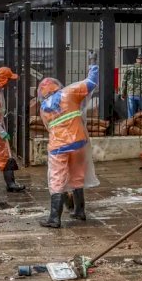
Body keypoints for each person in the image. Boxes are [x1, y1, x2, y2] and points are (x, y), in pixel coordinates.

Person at [37, 62, 101, 228]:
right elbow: (92, 82)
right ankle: (79, 211)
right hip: (78, 142)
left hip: (58, 146)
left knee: (57, 179)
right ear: (57, 85)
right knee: (77, 176)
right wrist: (93, 65)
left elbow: (48, 128)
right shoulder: (69, 92)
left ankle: (54, 218)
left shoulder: (44, 108)